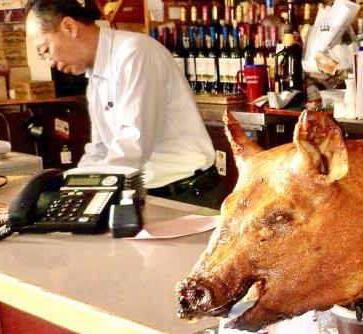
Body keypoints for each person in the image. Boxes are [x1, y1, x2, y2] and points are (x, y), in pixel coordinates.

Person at [24, 0, 221, 206]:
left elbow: (133, 144)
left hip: (186, 195)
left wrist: (82, 190)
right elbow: (100, 150)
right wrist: (71, 189)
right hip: (150, 193)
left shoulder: (134, 54)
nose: (50, 62)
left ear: (69, 27)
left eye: (45, 50)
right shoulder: (96, 77)